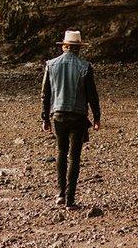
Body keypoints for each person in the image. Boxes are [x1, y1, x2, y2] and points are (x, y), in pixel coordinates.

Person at [41, 29, 101, 208]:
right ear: (78, 48)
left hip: (58, 115)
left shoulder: (51, 65)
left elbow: (45, 94)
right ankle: (70, 199)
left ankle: (60, 194)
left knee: (61, 153)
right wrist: (97, 117)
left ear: (64, 47)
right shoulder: (85, 66)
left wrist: (45, 118)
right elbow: (92, 95)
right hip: (78, 116)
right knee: (74, 157)